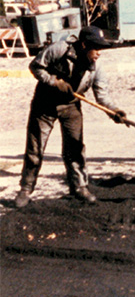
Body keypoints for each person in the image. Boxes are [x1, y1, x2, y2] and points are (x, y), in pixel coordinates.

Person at [15, 26, 127, 208]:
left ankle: (79, 187)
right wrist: (54, 82)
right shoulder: (59, 49)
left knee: (75, 148)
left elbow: (102, 96)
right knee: (35, 150)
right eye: (96, 48)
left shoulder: (96, 67)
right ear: (84, 45)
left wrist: (114, 111)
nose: (99, 53)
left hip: (71, 106)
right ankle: (25, 190)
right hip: (44, 105)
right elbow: (35, 66)